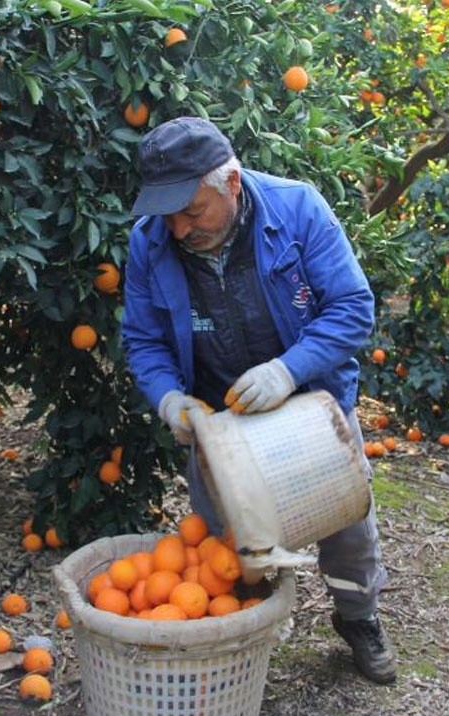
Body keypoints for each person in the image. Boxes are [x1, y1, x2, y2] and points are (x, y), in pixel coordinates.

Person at [121, 116, 397, 685]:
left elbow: (351, 308)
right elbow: (143, 339)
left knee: (346, 528)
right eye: (167, 214)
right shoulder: (149, 243)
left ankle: (358, 617)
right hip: (218, 422)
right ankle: (236, 641)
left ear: (232, 184)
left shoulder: (296, 210)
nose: (178, 228)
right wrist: (169, 398)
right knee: (226, 546)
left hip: (310, 408)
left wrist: (287, 369)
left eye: (192, 211)